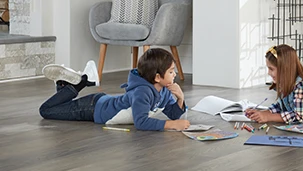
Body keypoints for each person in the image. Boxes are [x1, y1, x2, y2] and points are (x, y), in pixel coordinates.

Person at [39, 48, 190, 131]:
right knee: (46, 110)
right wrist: (171, 125)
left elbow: (173, 114)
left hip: (100, 103)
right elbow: (141, 122)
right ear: (157, 77)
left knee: (57, 108)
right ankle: (80, 83)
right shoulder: (142, 92)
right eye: (171, 71)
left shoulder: (164, 90)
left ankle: (64, 85)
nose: (174, 74)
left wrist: (180, 98)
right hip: (92, 108)